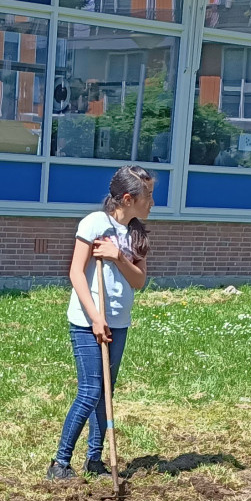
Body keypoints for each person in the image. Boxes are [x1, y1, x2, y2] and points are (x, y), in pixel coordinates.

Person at [48, 167, 154, 481]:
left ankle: (95, 459)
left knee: (106, 391)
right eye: (147, 195)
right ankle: (60, 462)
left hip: (118, 322)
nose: (152, 202)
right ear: (127, 198)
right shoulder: (95, 223)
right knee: (91, 390)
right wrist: (95, 318)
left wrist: (119, 256)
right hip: (87, 321)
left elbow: (139, 281)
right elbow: (76, 273)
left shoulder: (136, 234)